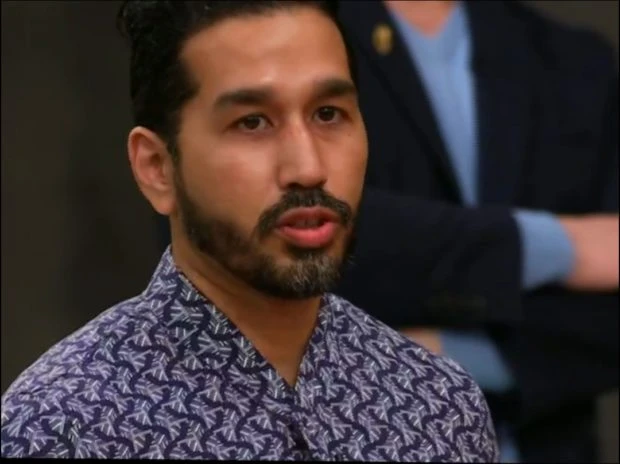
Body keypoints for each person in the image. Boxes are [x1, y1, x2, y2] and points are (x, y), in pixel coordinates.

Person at [0, 1, 500, 461]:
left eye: (328, 114)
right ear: (157, 168)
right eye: (253, 122)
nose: (308, 168)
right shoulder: (60, 427)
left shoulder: (437, 405)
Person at [329, 1, 616, 462]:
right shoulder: (289, 34)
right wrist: (559, 247)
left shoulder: (577, 60)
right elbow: (310, 230)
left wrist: (448, 354)